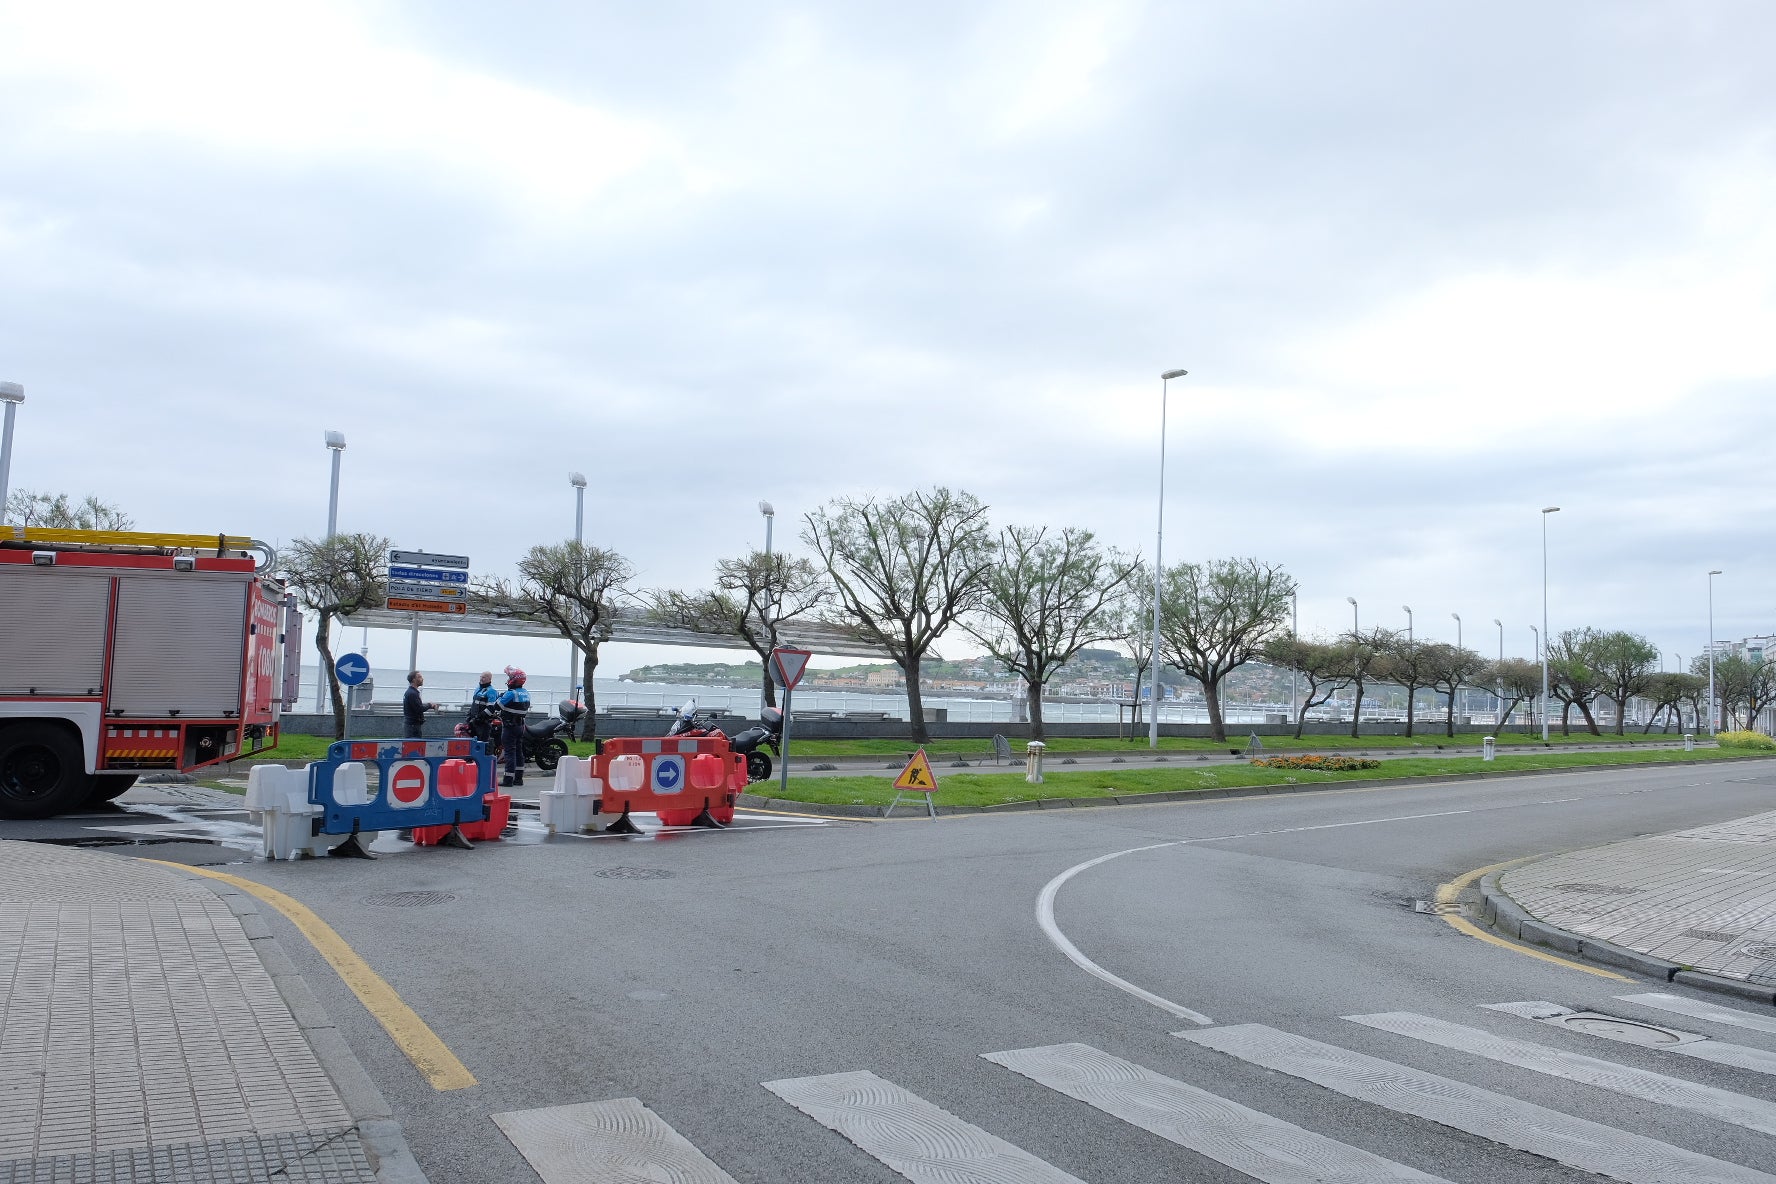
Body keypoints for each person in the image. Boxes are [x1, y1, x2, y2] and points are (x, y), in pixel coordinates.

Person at [497, 666, 531, 787]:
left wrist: (499, 696)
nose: (508, 679)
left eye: (510, 677)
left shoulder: (511, 693)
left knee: (509, 752)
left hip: (510, 726)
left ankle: (508, 780)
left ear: (514, 680)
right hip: (520, 726)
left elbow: (498, 706)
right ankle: (518, 779)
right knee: (519, 751)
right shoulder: (525, 693)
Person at [402, 671, 439, 739]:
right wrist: (430, 705)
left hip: (412, 725)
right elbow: (419, 709)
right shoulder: (412, 693)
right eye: (419, 677)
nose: (422, 679)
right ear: (414, 680)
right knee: (413, 747)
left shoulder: (411, 692)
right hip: (412, 726)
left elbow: (417, 707)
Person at [467, 671, 499, 748]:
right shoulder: (478, 689)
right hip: (473, 721)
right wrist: (469, 715)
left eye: (484, 677)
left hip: (483, 723)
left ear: (489, 679)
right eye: (481, 677)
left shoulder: (491, 691)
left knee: (482, 744)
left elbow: (491, 708)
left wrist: (479, 718)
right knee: (472, 744)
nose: (481, 679)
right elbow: (474, 704)